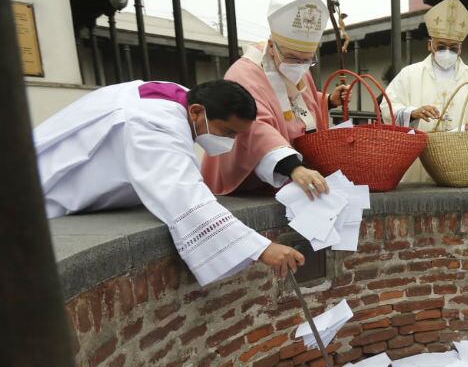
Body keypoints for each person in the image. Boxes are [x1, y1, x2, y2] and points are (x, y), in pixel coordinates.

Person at [33, 79, 306, 285]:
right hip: (41, 196)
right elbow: (183, 194)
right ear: (198, 112)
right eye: (228, 132)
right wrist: (262, 248)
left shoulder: (179, 100)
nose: (231, 141)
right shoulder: (153, 124)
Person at [202, 0, 347, 199]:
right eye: (293, 58)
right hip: (249, 183)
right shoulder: (243, 74)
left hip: (292, 176)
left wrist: (327, 101)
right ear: (272, 46)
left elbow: (297, 103)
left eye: (307, 60)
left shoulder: (298, 68)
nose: (299, 65)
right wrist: (293, 167)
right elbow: (254, 127)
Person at [384, 0, 468, 183]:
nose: (447, 52)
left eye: (453, 48)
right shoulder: (409, 75)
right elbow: (388, 108)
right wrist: (412, 113)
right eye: (441, 46)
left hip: (462, 163)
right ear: (430, 45)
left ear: (460, 49)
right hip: (419, 163)